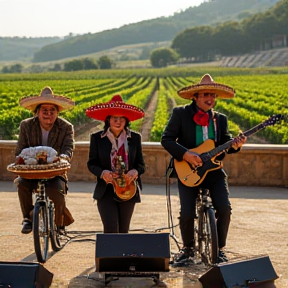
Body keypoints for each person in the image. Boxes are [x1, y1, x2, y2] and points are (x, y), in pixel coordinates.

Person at [161, 74, 247, 265]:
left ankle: (220, 249)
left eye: (213, 95)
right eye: (206, 94)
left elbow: (225, 144)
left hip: (214, 172)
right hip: (188, 170)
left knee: (225, 208)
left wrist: (236, 145)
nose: (211, 99)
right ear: (196, 96)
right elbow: (166, 139)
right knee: (187, 213)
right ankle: (188, 249)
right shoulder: (180, 114)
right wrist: (186, 155)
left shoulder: (220, 119)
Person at [15, 86, 75, 234]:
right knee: (22, 183)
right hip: (32, 171)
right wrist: (22, 159)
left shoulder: (66, 127)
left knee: (56, 192)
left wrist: (64, 158)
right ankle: (28, 218)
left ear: (57, 112)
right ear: (37, 112)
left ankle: (60, 223)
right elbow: (20, 149)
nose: (48, 114)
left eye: (52, 111)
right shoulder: (26, 126)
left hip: (55, 170)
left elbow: (68, 147)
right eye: (45, 111)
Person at [86, 94, 145, 233]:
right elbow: (91, 163)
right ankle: (109, 255)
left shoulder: (135, 138)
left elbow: (141, 164)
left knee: (124, 230)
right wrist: (103, 173)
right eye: (115, 118)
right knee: (111, 228)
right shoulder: (97, 138)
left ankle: (121, 255)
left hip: (128, 189)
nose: (118, 122)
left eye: (121, 119)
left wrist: (134, 172)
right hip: (105, 189)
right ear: (108, 120)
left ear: (126, 121)